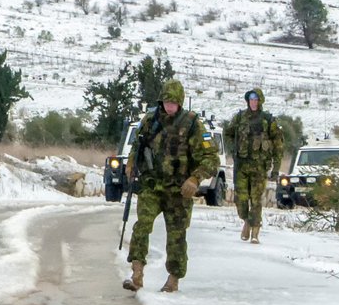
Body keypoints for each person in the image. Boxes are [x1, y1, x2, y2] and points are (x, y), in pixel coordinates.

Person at [122, 80, 214, 293]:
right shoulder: (151, 119)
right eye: (166, 101)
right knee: (141, 226)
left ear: (180, 102)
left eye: (173, 102)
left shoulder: (192, 124)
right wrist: (131, 163)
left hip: (179, 191)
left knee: (177, 235)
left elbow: (210, 158)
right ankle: (137, 274)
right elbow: (138, 144)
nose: (169, 106)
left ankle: (173, 279)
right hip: (152, 186)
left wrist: (195, 179)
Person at [225, 87, 286, 244]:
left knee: (256, 200)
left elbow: (278, 145)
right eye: (251, 99)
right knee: (241, 199)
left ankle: (255, 232)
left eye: (256, 99)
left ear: (260, 101)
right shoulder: (239, 118)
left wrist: (276, 169)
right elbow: (228, 133)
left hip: (259, 167)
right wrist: (235, 148)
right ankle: (246, 220)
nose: (253, 102)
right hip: (242, 166)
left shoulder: (268, 120)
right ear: (248, 101)